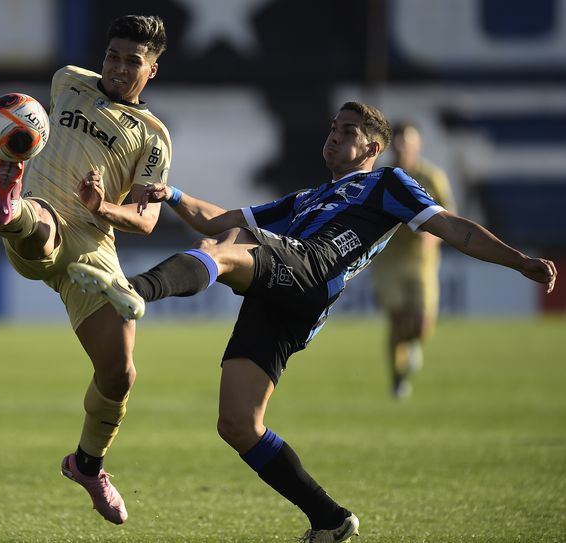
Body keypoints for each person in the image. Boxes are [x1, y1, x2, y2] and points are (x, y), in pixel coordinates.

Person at [66, 101, 557, 542]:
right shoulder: (306, 198)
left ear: (373, 146)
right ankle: (329, 518)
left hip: (310, 269)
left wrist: (519, 261)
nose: (335, 135)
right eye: (333, 128)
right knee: (238, 424)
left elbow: (456, 229)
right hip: (280, 302)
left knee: (226, 250)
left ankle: (133, 289)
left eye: (348, 130)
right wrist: (170, 194)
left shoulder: (387, 183)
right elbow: (216, 217)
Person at [0, 15, 170, 524]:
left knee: (120, 374)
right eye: (112, 56)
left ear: (152, 70)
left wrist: (102, 206)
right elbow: (36, 123)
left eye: (132, 61)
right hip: (46, 210)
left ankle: (88, 465)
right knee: (39, 226)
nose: (116, 68)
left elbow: (147, 217)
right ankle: (9, 205)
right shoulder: (67, 80)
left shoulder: (153, 137)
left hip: (95, 244)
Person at [371, 121, 457, 399]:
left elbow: (449, 220)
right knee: (397, 320)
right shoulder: (380, 177)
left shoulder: (432, 178)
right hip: (389, 261)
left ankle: (410, 345)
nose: (401, 148)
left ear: (417, 145)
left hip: (422, 262)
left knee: (420, 326)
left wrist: (431, 237)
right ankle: (397, 378)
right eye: (396, 143)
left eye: (406, 143)